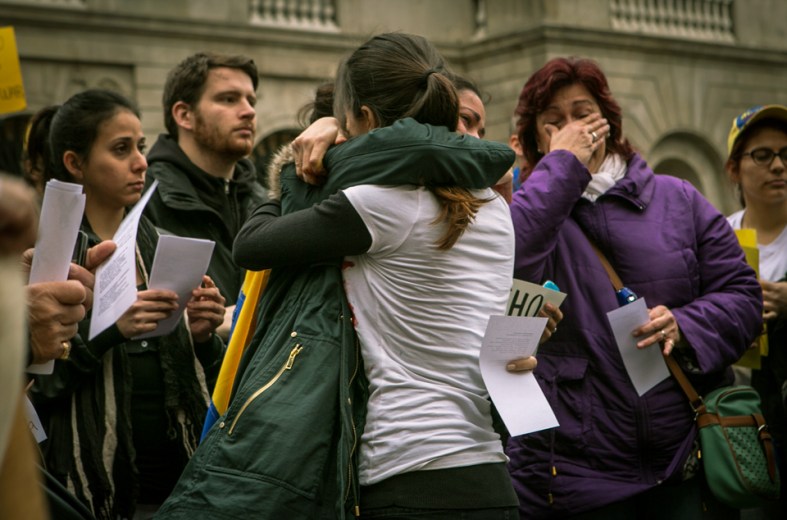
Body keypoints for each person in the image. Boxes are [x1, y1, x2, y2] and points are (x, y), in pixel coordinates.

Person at [156, 33, 549, 519]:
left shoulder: (379, 207)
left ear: (362, 119)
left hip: (404, 477)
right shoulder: (493, 206)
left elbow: (253, 245)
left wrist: (301, 164)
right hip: (488, 476)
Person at [506, 57, 763, 519]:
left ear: (608, 120)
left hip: (684, 459)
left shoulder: (678, 198)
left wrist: (685, 325)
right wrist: (564, 165)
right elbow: (510, 260)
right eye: (553, 123)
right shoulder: (531, 210)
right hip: (579, 474)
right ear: (534, 139)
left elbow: (742, 296)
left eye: (582, 114)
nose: (572, 129)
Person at [28, 89, 226, 520]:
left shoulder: (159, 243)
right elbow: (34, 387)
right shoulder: (46, 258)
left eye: (140, 146)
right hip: (94, 494)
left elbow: (210, 383)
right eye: (121, 149)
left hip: (183, 490)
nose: (140, 162)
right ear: (75, 163)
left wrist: (205, 336)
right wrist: (109, 331)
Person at [142, 51, 267, 336]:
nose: (248, 111)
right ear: (184, 115)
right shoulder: (142, 198)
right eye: (228, 99)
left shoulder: (267, 202)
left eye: (251, 100)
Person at [725, 104, 787, 519]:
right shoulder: (720, 237)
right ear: (734, 169)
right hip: (736, 420)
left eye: (785, 154)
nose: (778, 166)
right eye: (762, 155)